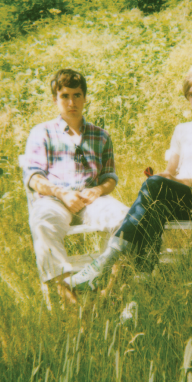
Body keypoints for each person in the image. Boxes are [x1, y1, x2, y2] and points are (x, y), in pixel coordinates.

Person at [67, 65, 192, 291]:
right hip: (172, 198)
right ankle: (142, 282)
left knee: (153, 188)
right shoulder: (182, 130)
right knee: (154, 208)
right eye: (190, 95)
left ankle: (106, 259)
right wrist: (164, 177)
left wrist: (176, 182)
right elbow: (171, 171)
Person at [23, 68, 129, 287]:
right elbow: (34, 178)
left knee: (126, 220)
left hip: (92, 200)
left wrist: (98, 190)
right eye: (65, 96)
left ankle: (108, 287)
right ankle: (67, 295)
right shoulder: (42, 132)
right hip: (54, 199)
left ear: (85, 98)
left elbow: (109, 178)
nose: (71, 102)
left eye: (77, 95)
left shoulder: (101, 135)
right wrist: (62, 194)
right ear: (55, 99)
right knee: (42, 223)